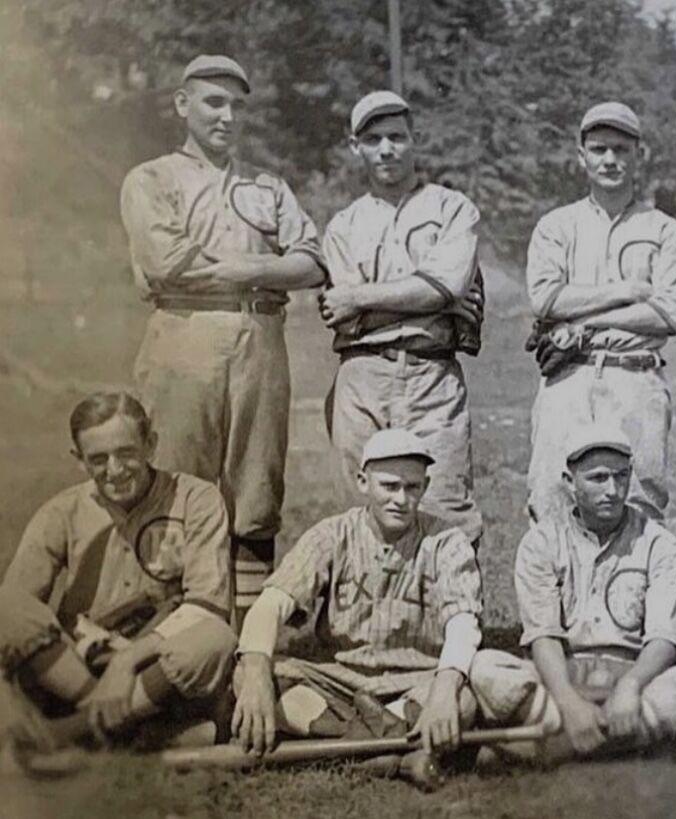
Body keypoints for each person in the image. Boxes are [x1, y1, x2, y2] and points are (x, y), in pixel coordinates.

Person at [120, 55, 326, 622]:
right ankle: (171, 632)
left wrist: (237, 271)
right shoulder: (152, 178)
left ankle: (247, 645)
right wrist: (259, 265)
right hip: (185, 333)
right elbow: (166, 265)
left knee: (256, 491)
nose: (228, 115)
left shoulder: (268, 186)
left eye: (238, 105)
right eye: (214, 101)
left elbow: (311, 262)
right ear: (183, 105)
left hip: (260, 339)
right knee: (174, 483)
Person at [231, 429, 483, 781]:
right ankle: (390, 749)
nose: (401, 499)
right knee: (248, 673)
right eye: (389, 486)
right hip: (339, 683)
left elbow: (463, 623)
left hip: (414, 682)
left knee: (464, 698)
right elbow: (271, 604)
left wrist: (443, 690)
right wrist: (258, 674)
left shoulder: (446, 540)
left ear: (424, 488)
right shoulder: (332, 535)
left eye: (412, 487)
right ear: (363, 482)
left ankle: (355, 747)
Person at [0, 392, 236, 754]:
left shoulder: (196, 499)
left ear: (150, 445)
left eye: (126, 452)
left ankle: (68, 734)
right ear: (79, 461)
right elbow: (15, 609)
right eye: (99, 459)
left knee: (215, 638)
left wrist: (126, 661)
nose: (115, 469)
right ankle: (127, 728)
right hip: (75, 669)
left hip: (152, 667)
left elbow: (208, 606)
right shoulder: (61, 511)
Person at [469, 425, 676, 761]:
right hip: (562, 680)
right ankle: (629, 740)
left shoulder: (660, 543)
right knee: (485, 667)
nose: (612, 490)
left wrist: (630, 687)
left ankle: (547, 746)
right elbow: (543, 636)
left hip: (631, 680)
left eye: (621, 476)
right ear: (570, 483)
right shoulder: (541, 542)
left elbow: (664, 639)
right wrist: (570, 703)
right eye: (598, 478)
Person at [320, 91, 484, 543]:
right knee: (360, 511)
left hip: (431, 372)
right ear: (356, 147)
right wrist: (430, 298)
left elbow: (448, 284)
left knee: (446, 506)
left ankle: (457, 614)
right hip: (362, 373)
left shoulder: (452, 208)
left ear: (415, 139)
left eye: (396, 136)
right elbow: (344, 312)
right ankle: (371, 615)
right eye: (373, 139)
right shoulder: (343, 225)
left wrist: (367, 298)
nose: (386, 148)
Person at [525, 102, 676, 523]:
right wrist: (627, 292)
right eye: (599, 149)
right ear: (582, 156)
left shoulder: (664, 230)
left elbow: (668, 315)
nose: (610, 159)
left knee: (638, 504)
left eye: (621, 148)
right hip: (569, 378)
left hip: (634, 378)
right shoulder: (556, 226)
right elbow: (545, 300)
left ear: (640, 155)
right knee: (552, 500)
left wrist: (583, 321)